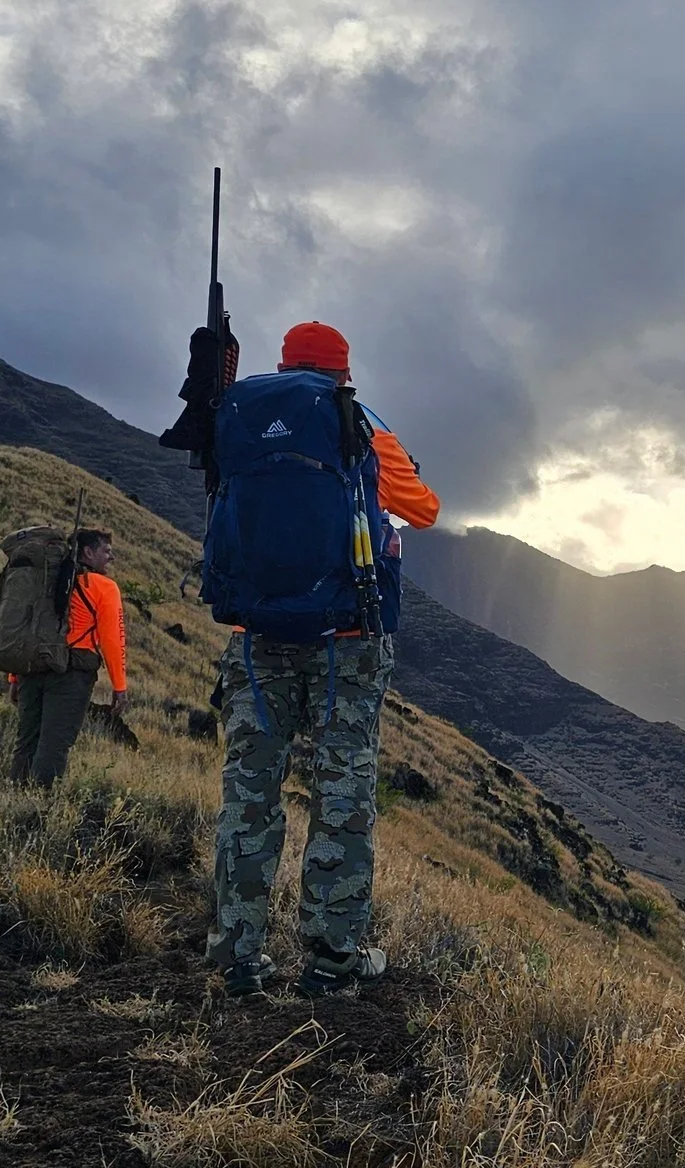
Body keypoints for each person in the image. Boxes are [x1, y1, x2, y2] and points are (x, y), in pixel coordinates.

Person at [206, 321, 440, 998]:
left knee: (249, 796)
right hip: (346, 644)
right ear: (344, 373)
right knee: (342, 797)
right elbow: (421, 511)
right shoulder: (359, 422)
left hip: (255, 638)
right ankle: (332, 961)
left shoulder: (241, 415)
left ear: (283, 364)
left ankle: (238, 958)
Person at [8, 529, 126, 788]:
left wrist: (14, 676)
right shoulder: (104, 587)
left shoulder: (44, 582)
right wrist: (119, 686)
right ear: (88, 552)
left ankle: (14, 798)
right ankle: (37, 810)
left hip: (31, 667)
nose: (111, 557)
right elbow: (112, 640)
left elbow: (25, 626)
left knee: (26, 741)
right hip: (71, 675)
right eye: (105, 551)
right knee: (54, 745)